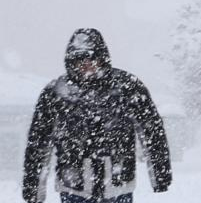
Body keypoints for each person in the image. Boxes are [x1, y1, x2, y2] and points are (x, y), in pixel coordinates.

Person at [22, 28, 172, 203]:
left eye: (92, 58)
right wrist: (33, 185)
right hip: (74, 189)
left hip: (117, 186)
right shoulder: (56, 93)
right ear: (71, 61)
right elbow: (38, 142)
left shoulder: (127, 87)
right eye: (80, 59)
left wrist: (160, 174)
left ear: (102, 58)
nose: (87, 64)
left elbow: (152, 131)